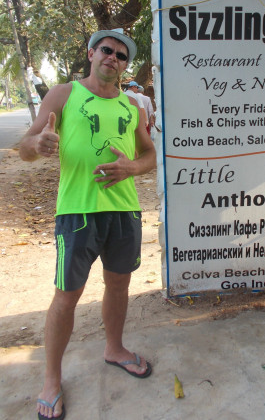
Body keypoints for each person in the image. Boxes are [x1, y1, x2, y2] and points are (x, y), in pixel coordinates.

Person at [19, 28, 156, 420]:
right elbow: (26, 147)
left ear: (125, 66)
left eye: (121, 55)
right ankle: (51, 380)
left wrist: (131, 168)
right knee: (67, 295)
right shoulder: (64, 94)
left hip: (124, 212)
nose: (113, 58)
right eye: (107, 50)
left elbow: (149, 155)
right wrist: (38, 145)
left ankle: (114, 349)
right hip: (77, 212)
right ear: (92, 53)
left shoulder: (133, 106)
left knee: (119, 284)